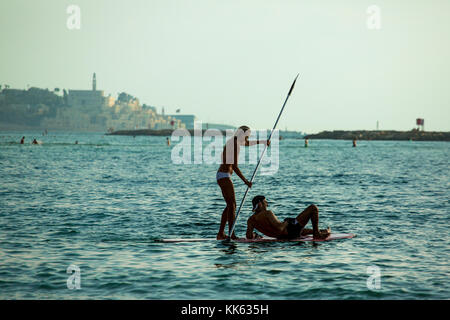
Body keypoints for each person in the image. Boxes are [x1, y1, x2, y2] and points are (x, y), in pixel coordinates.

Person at [216, 126, 270, 240]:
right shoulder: (234, 145)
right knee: (232, 205)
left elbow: (247, 144)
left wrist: (262, 142)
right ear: (241, 134)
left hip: (223, 175)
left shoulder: (235, 142)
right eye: (247, 136)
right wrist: (246, 181)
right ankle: (232, 234)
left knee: (230, 206)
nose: (247, 139)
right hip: (224, 176)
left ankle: (221, 233)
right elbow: (234, 166)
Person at [246, 195, 331, 240]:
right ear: (260, 203)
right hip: (290, 233)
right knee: (313, 208)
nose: (267, 204)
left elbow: (249, 236)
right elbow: (280, 228)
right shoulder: (267, 213)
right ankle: (317, 234)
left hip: (282, 237)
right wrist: (287, 221)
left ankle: (320, 231)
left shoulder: (251, 220)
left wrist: (256, 235)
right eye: (265, 202)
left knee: (299, 228)